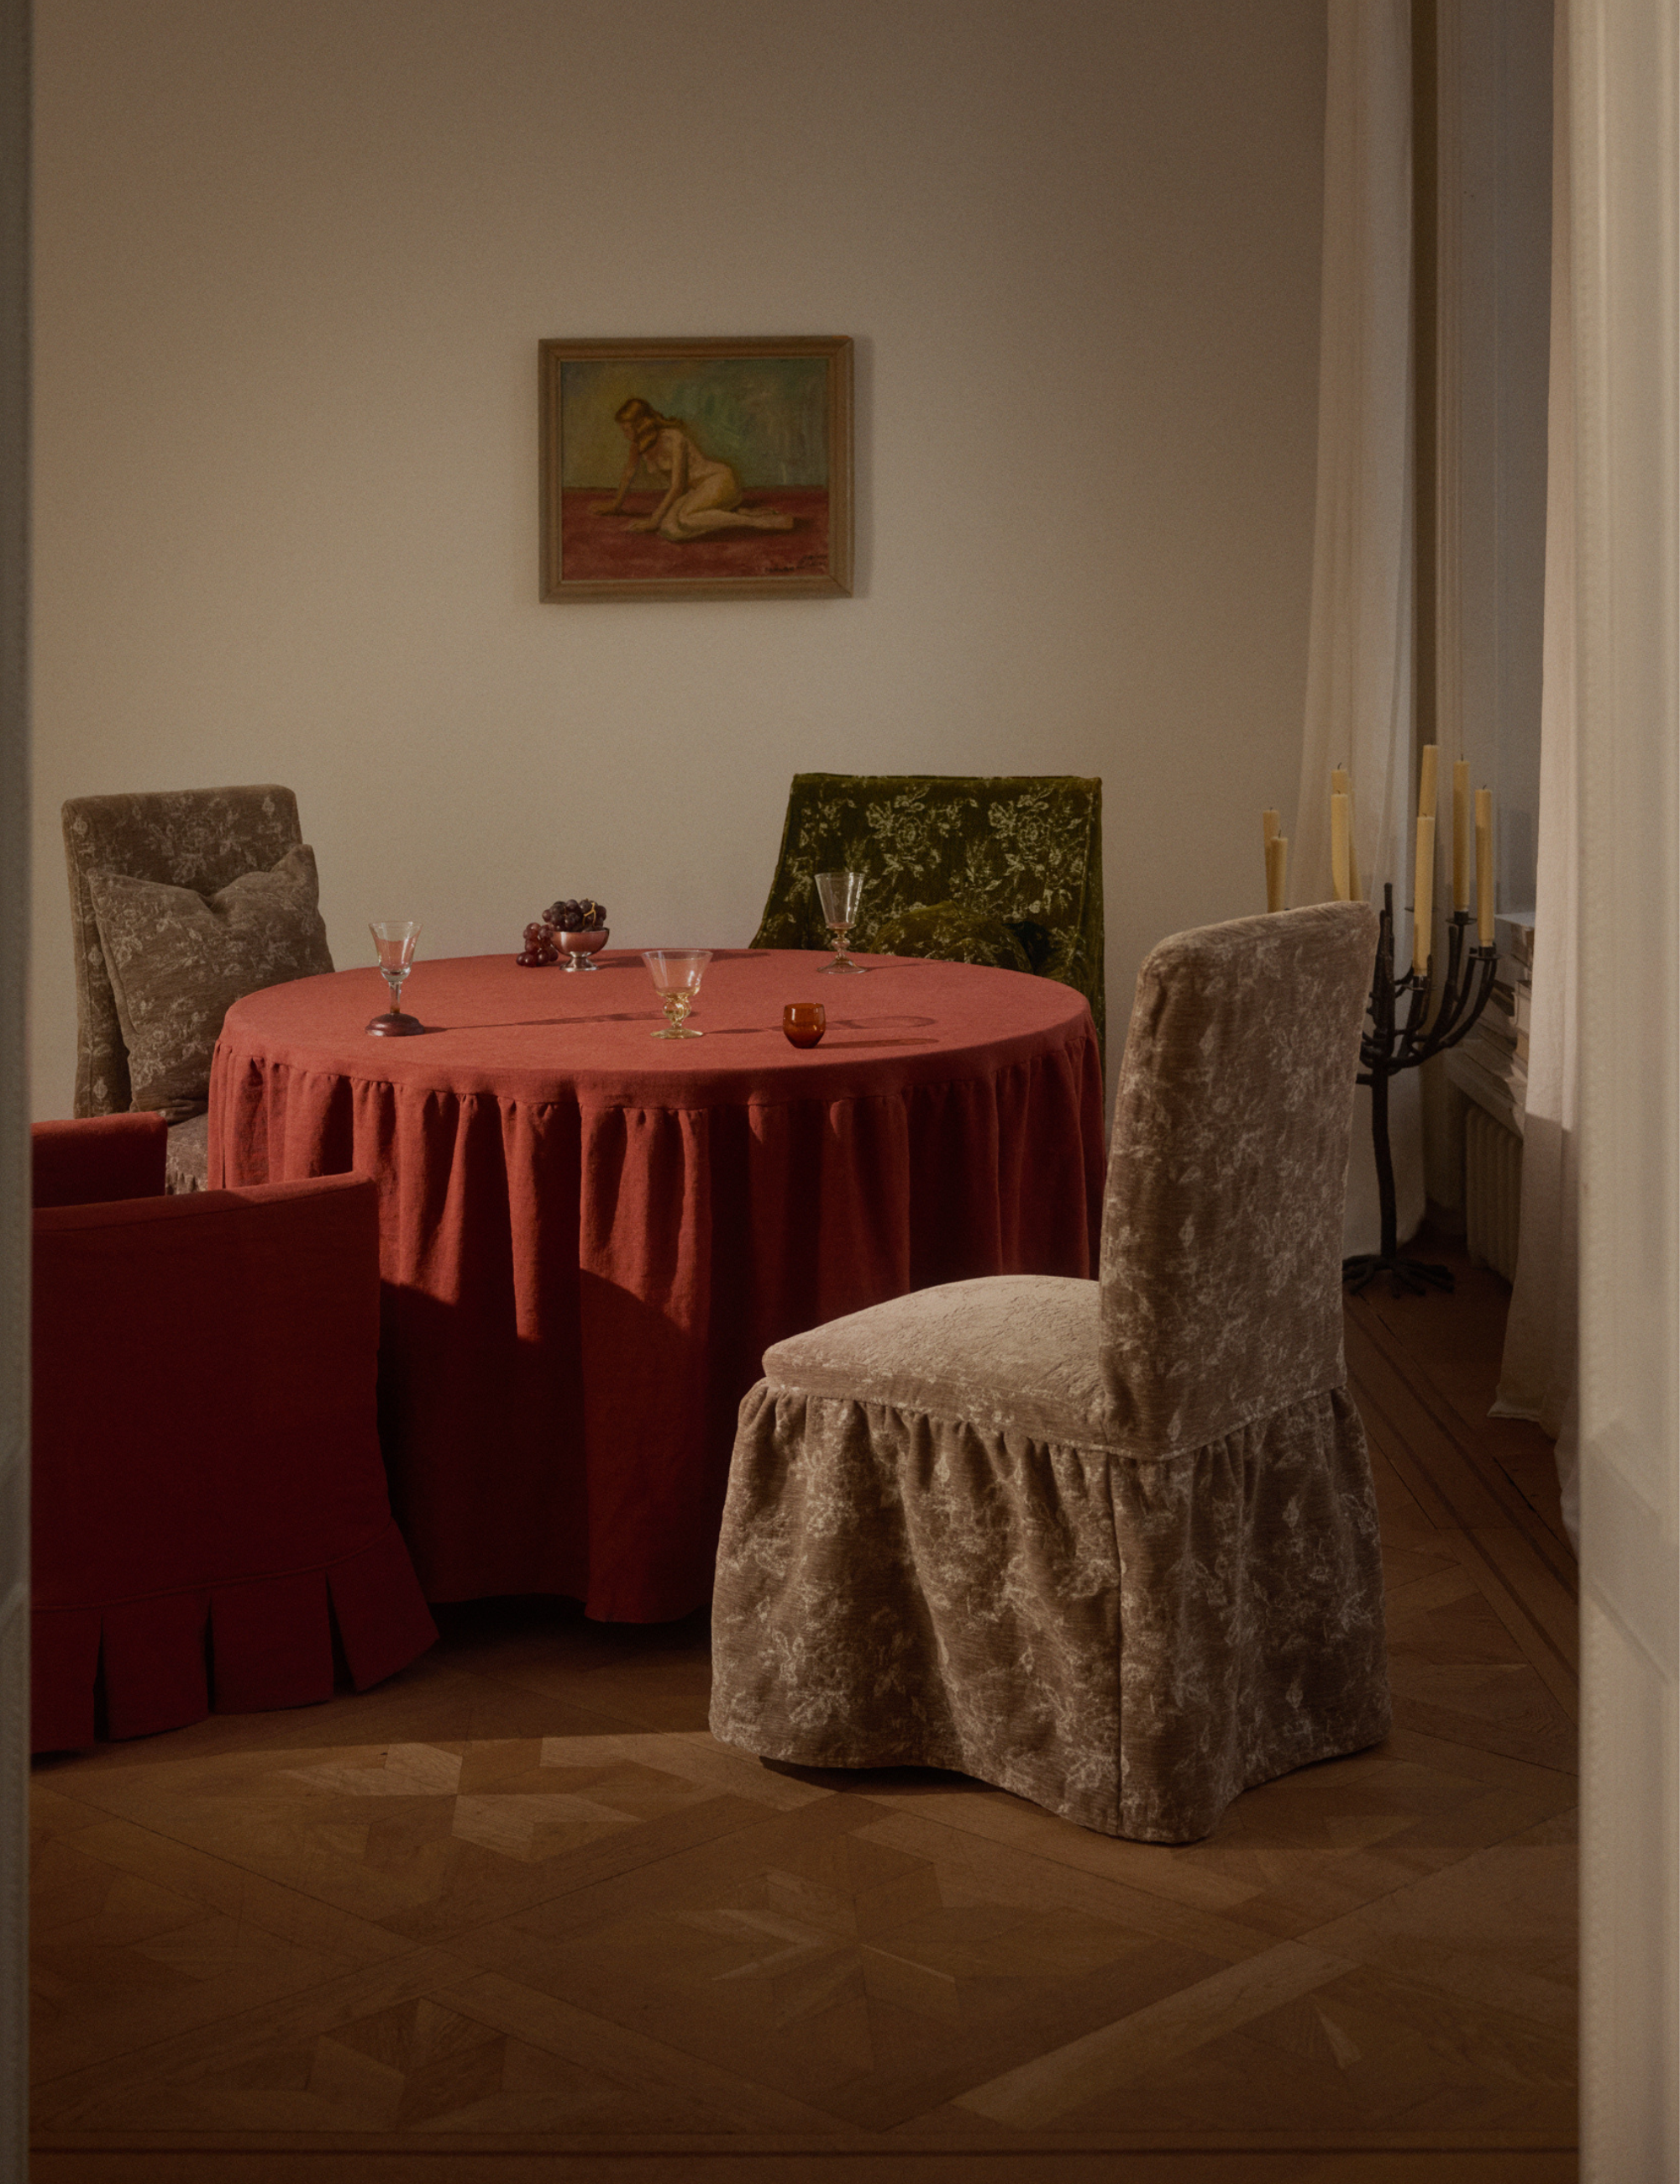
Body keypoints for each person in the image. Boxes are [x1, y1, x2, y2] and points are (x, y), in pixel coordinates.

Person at [595, 396, 795, 540]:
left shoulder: (674, 438)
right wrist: (616, 505)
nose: (624, 434)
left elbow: (677, 486)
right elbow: (628, 474)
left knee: (686, 519)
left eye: (626, 429)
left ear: (641, 424)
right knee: (670, 529)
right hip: (699, 491)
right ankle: (739, 514)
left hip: (718, 481)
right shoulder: (638, 447)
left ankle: (758, 523)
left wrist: (653, 520)